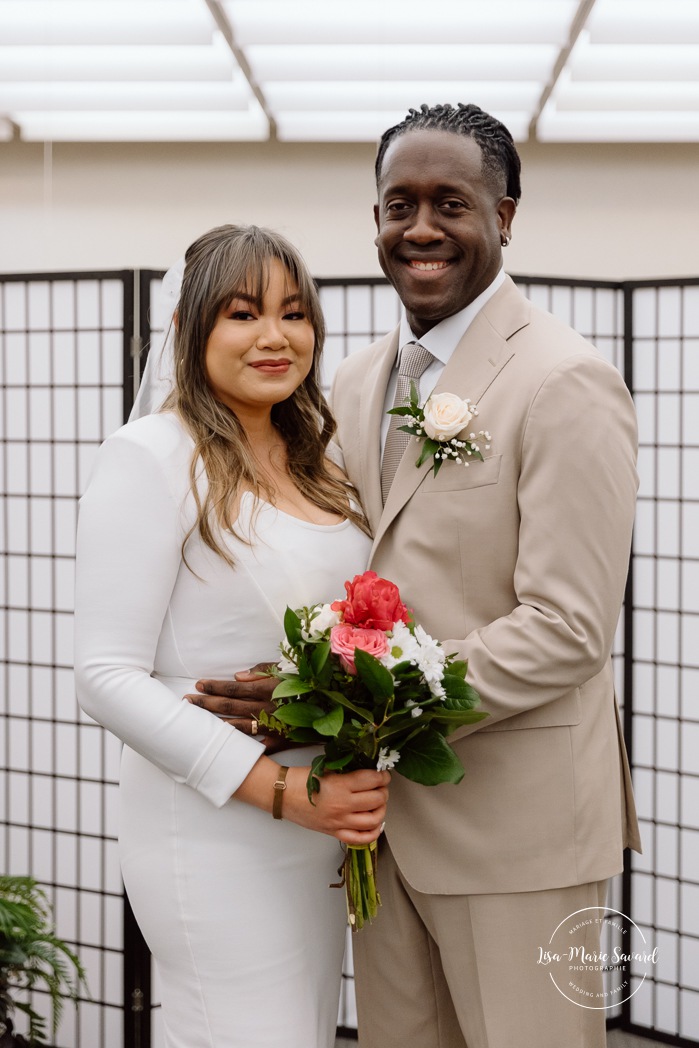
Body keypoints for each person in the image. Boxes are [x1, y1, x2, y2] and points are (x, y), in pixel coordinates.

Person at [191, 104, 641, 1048]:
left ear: (505, 216)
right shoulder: (348, 382)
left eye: (451, 202)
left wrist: (364, 700)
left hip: (518, 834)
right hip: (379, 825)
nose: (421, 228)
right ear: (376, 222)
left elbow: (566, 626)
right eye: (399, 204)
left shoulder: (566, 382)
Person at [73, 223, 390, 1048]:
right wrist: (281, 792)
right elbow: (105, 676)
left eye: (293, 313)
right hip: (213, 829)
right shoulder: (150, 457)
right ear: (189, 327)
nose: (275, 337)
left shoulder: (321, 459)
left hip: (318, 832)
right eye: (242, 314)